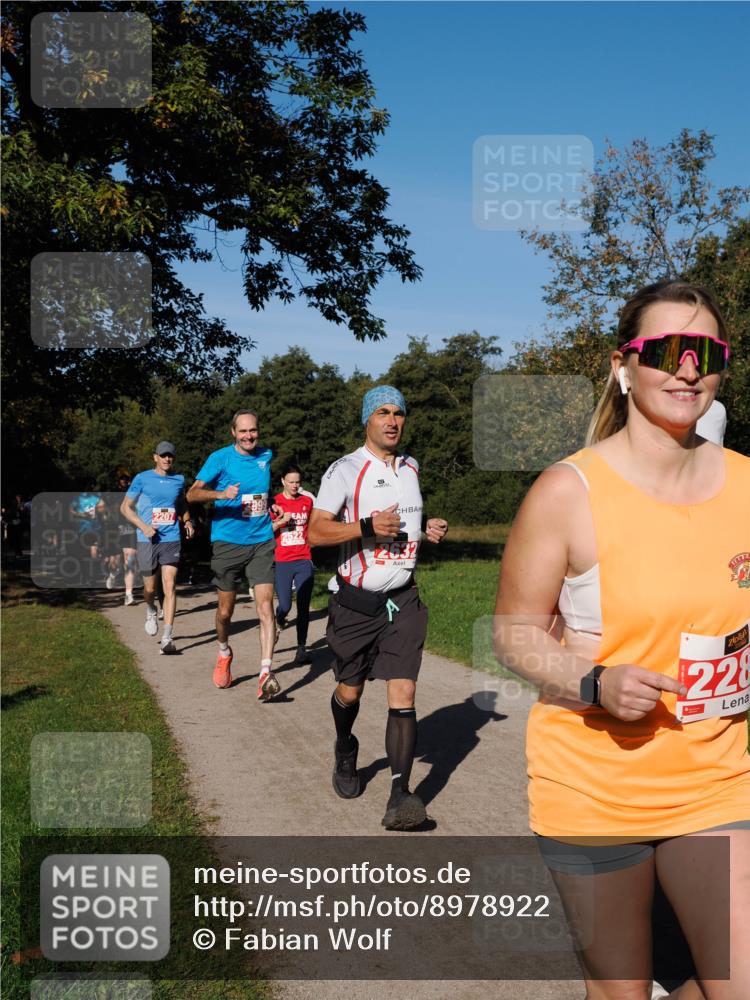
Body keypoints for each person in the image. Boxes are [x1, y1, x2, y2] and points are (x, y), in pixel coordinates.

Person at [494, 280, 749, 999]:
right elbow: (514, 631)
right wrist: (593, 681)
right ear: (623, 364)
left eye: (706, 352)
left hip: (714, 778)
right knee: (620, 991)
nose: (688, 368)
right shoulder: (569, 492)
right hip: (594, 785)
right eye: (667, 350)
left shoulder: (748, 486)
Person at [308, 385, 448, 831]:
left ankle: (400, 795)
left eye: (399, 413)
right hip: (355, 604)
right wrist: (366, 527)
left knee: (403, 693)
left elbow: (404, 526)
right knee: (350, 691)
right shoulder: (344, 470)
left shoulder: (411, 467)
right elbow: (315, 533)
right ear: (368, 419)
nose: (392, 420)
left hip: (402, 599)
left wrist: (427, 530)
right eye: (383, 412)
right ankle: (345, 744)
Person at [187, 410, 282, 699]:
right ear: (233, 433)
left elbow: (260, 492)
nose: (249, 436)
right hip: (228, 543)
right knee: (225, 612)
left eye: (253, 431)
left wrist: (272, 504)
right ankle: (224, 651)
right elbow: (191, 494)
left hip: (262, 541)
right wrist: (221, 495)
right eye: (243, 432)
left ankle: (266, 673)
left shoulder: (266, 455)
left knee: (265, 607)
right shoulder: (220, 459)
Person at [121, 442, 194, 653]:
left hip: (171, 537)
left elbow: (181, 505)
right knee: (150, 588)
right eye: (163, 455)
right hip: (147, 539)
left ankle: (167, 637)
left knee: (170, 585)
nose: (167, 459)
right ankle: (151, 608)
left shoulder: (179, 480)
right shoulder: (142, 478)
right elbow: (125, 508)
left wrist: (187, 522)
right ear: (155, 457)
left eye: (170, 455)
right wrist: (143, 527)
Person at [271, 463, 314, 664]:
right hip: (283, 561)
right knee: (286, 605)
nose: (295, 485)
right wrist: (281, 521)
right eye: (291, 482)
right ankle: (278, 621)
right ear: (283, 482)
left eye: (298, 482)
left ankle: (301, 648)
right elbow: (265, 531)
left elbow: (314, 526)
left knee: (304, 606)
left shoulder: (307, 502)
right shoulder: (275, 502)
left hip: (303, 559)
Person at [69, 489, 106, 583]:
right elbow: (70, 511)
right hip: (82, 529)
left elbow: (103, 511)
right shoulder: (77, 498)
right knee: (84, 553)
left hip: (95, 529)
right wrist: (82, 515)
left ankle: (91, 575)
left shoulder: (98, 497)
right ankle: (86, 575)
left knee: (94, 553)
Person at [113, 471, 139, 605]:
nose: (124, 481)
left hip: (141, 527)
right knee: (130, 558)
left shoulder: (140, 492)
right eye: (122, 479)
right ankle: (129, 594)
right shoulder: (116, 494)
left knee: (135, 560)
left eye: (126, 479)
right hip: (125, 527)